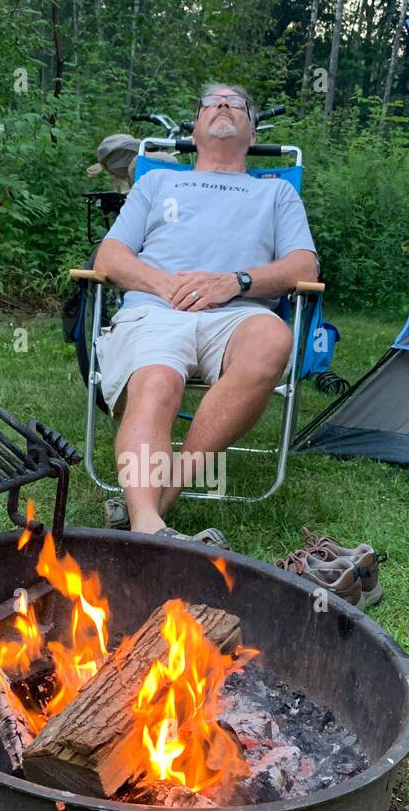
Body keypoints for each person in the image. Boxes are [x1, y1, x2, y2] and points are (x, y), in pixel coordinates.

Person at [92, 83, 318, 541]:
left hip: (238, 314)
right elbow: (109, 259)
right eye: (211, 102)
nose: (223, 105)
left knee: (274, 339)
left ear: (251, 134)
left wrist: (236, 282)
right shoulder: (156, 182)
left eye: (237, 103)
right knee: (156, 380)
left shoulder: (275, 195)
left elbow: (303, 265)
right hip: (156, 307)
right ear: (195, 131)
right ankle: (148, 527)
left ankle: (157, 504)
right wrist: (164, 284)